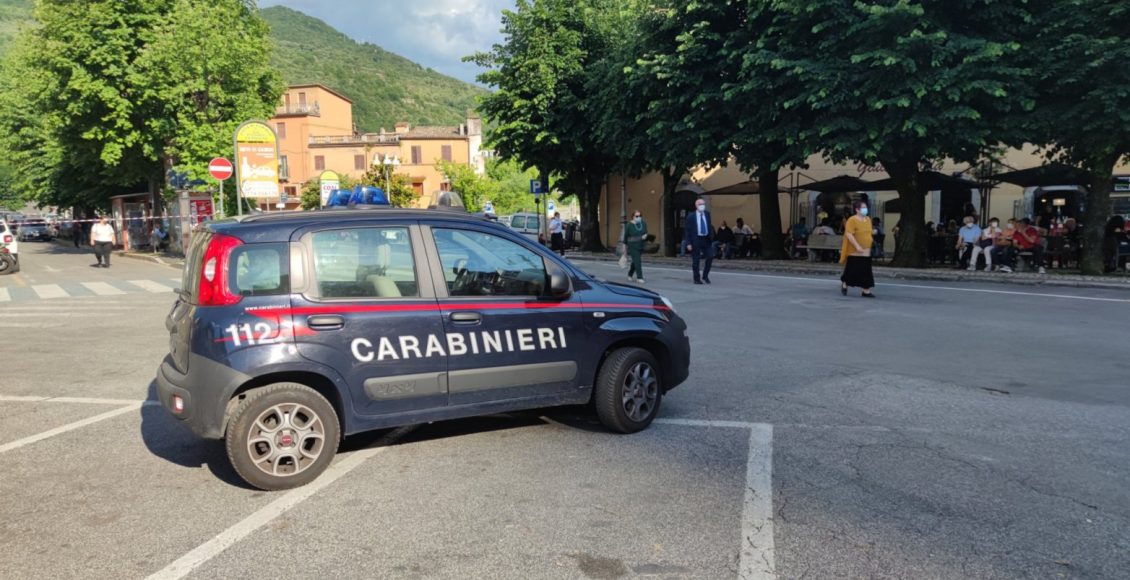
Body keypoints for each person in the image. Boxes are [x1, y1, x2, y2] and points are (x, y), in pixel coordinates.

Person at [839, 200, 875, 298]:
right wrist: (857, 246)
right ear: (857, 210)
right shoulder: (852, 220)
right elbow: (849, 234)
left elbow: (868, 232)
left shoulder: (868, 219)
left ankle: (866, 290)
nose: (865, 209)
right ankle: (845, 283)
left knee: (866, 269)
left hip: (866, 249)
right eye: (863, 208)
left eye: (866, 207)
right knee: (853, 269)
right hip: (855, 249)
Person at [684, 199, 714, 284]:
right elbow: (687, 230)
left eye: (703, 204)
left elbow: (709, 225)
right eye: (700, 204)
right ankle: (696, 278)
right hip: (696, 239)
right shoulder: (691, 216)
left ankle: (705, 276)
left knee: (710, 256)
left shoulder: (707, 214)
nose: (702, 206)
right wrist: (688, 243)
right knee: (696, 260)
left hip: (706, 239)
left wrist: (711, 236)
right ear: (696, 205)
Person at [625, 210, 648, 283]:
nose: (639, 217)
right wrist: (624, 247)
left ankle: (630, 274)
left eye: (640, 216)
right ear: (633, 217)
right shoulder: (629, 225)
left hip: (641, 244)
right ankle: (639, 277)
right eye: (637, 216)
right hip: (632, 245)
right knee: (638, 260)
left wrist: (645, 236)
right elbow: (625, 236)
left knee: (635, 261)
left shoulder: (643, 223)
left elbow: (646, 232)